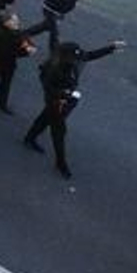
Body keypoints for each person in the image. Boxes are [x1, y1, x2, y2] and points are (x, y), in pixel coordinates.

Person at [23, 39, 124, 179]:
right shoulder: (53, 70)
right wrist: (66, 94)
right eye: (75, 58)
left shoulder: (72, 59)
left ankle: (30, 137)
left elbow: (89, 55)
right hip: (57, 102)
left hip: (65, 98)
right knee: (59, 131)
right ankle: (60, 162)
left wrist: (111, 48)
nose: (78, 60)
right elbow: (49, 89)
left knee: (45, 118)